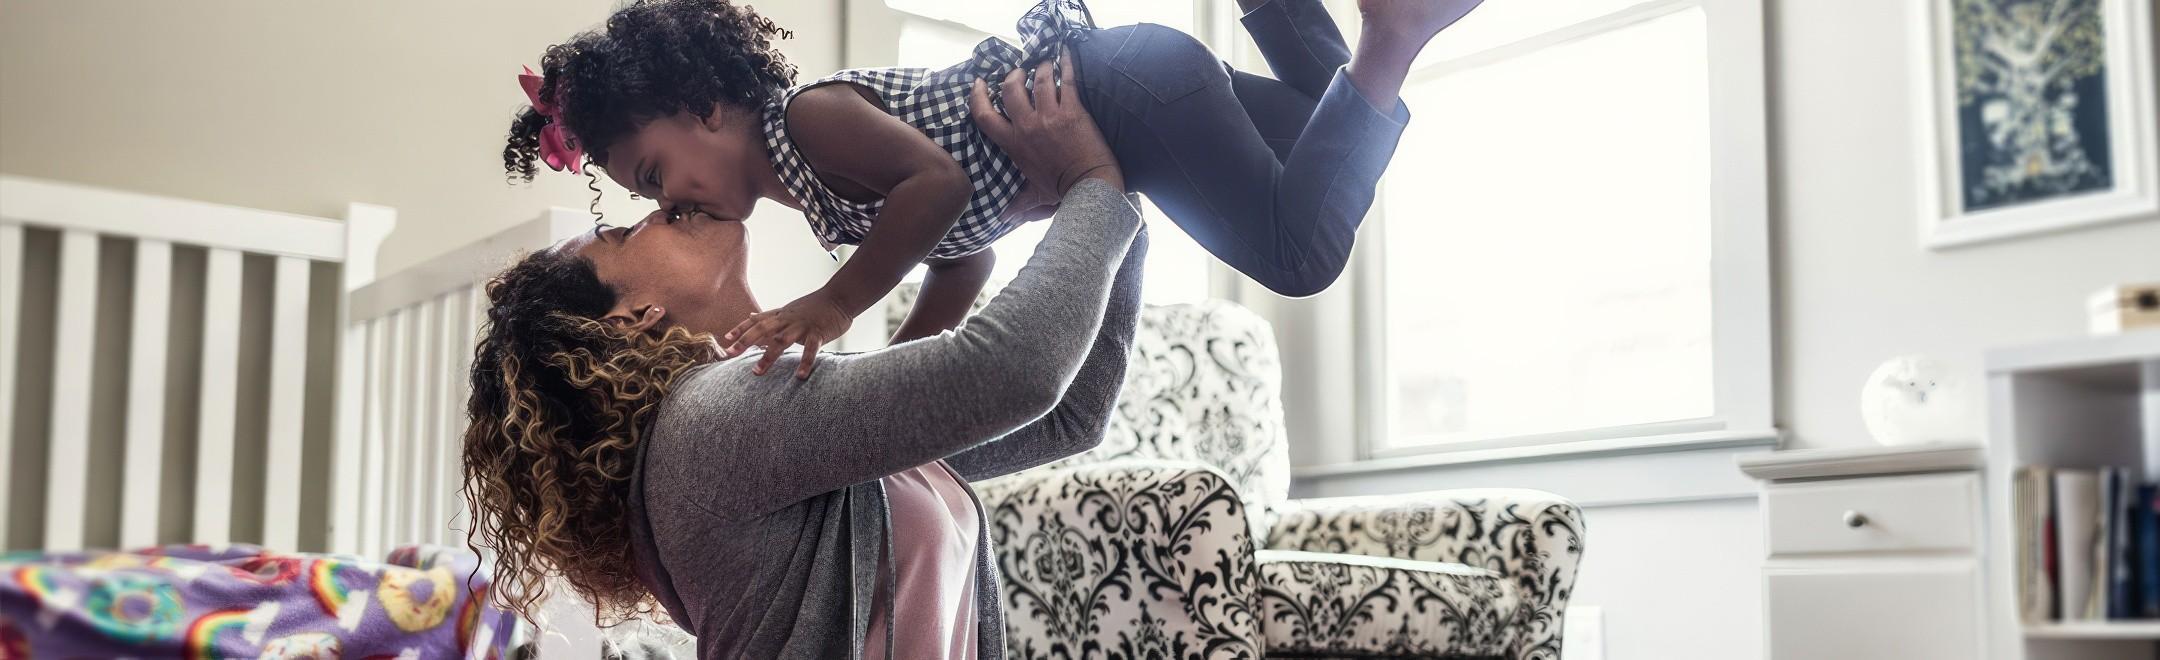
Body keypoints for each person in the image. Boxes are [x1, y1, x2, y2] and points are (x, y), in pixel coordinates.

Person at [464, 56, 1143, 659]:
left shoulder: (760, 413)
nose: (660, 207)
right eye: (621, 232)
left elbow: (1069, 416)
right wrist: (1092, 179)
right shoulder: (710, 426)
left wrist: (1122, 177)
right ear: (631, 316)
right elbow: (1015, 371)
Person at [503, 0, 1485, 378]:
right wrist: (909, 359)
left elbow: (934, 189)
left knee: (1299, 252)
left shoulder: (809, 124)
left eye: (653, 177)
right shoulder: (813, 187)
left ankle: (1392, 28)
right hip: (1134, 94)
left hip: (1122, 96)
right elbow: (958, 244)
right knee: (1332, 138)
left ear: (702, 106)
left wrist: (842, 304)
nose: (668, 202)